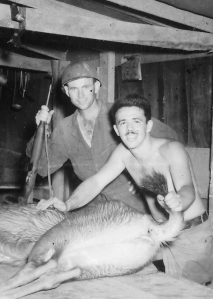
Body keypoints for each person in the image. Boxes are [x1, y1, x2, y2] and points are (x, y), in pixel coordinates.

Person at [37, 93, 213, 285]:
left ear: (148, 126)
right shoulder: (123, 153)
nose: (130, 128)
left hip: (190, 235)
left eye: (136, 121)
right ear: (116, 129)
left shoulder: (171, 149)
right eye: (123, 123)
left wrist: (178, 200)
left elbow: (187, 188)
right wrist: (67, 204)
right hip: (158, 233)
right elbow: (96, 182)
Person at [27, 61, 179, 214]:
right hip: (95, 210)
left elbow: (169, 139)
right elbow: (41, 168)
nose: (80, 95)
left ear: (97, 87)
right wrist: (41, 130)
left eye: (86, 87)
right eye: (74, 89)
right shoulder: (65, 129)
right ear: (67, 91)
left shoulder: (120, 114)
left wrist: (146, 176)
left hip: (136, 207)